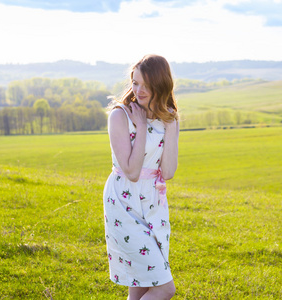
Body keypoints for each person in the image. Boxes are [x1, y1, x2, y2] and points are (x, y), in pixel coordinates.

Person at [103, 54, 179, 300]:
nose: (139, 90)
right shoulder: (120, 117)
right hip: (124, 203)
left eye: (146, 84)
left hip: (153, 205)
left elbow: (167, 172)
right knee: (165, 288)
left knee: (141, 285)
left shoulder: (169, 119)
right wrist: (142, 126)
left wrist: (170, 126)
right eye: (135, 83)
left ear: (161, 84)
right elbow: (132, 172)